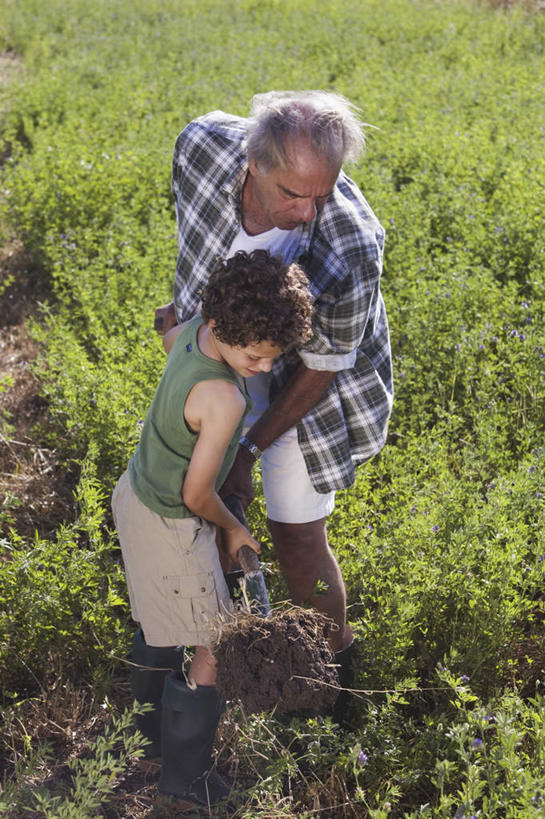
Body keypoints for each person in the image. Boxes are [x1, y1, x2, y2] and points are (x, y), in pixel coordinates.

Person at [155, 89, 394, 720]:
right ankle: (207, 663)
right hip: (217, 355)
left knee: (295, 534)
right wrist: (183, 319)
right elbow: (188, 230)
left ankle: (333, 683)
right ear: (253, 163)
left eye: (325, 191)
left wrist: (251, 447)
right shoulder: (202, 144)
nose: (310, 210)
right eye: (294, 194)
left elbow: (321, 369)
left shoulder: (351, 242)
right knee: (198, 509)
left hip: (302, 387)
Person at [112, 250, 314, 806]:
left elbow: (168, 334)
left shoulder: (197, 330)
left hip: (136, 494)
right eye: (255, 356)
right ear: (225, 329)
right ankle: (183, 779)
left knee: (162, 615)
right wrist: (233, 530)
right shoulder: (224, 397)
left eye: (274, 358)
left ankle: (145, 735)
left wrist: (165, 322)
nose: (265, 368)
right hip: (174, 523)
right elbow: (196, 494)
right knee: (217, 640)